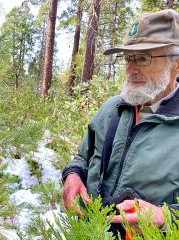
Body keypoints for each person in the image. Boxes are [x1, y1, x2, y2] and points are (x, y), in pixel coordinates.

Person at [62, 9, 179, 236]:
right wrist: (73, 175)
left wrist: (165, 218)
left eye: (143, 58)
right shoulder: (112, 108)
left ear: (176, 63)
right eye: (128, 57)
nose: (130, 68)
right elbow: (82, 157)